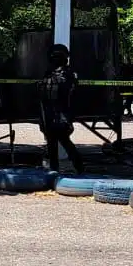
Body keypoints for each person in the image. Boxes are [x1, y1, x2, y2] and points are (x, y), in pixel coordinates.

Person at [40, 43, 84, 173]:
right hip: (49, 113)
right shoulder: (49, 73)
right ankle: (54, 171)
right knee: (52, 143)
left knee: (64, 142)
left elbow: (69, 95)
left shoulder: (68, 74)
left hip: (61, 113)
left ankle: (79, 167)